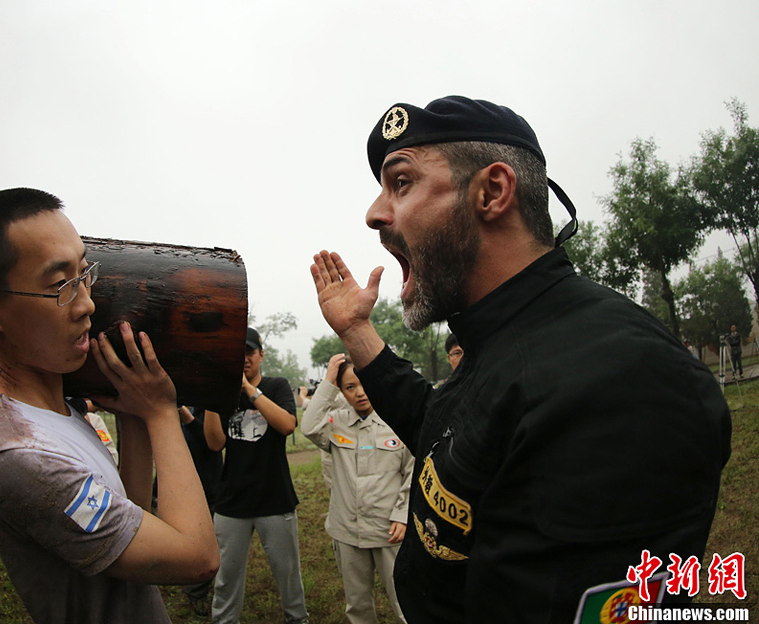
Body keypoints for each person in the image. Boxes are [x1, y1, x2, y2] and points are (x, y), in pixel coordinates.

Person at [310, 96, 731, 623]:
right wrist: (356, 332)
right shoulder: (504, 334)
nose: (374, 213)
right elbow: (448, 431)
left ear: (492, 191)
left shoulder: (623, 383)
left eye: (401, 182)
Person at [0, 187, 218, 624]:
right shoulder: (18, 454)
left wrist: (134, 417)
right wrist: (160, 413)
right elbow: (197, 556)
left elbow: (129, 520)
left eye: (84, 274)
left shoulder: (60, 411)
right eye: (60, 286)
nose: (87, 304)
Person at [203, 327, 309, 624]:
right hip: (232, 501)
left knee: (287, 572)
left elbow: (287, 425)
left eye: (249, 352)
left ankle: (297, 618)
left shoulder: (277, 387)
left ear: (261, 354)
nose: (244, 359)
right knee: (226, 575)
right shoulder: (223, 394)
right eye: (237, 354)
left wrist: (249, 389)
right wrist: (216, 395)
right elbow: (214, 443)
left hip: (274, 498)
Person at [301, 353, 412, 624]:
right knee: (358, 605)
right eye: (350, 387)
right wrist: (328, 380)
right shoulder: (336, 422)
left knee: (404, 602)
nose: (360, 393)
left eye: (364, 384)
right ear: (341, 391)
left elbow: (412, 470)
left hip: (389, 530)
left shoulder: (396, 419)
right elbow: (308, 426)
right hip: (347, 530)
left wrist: (402, 514)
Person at [178, 405, 223, 616]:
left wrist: (186, 416)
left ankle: (198, 592)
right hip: (182, 482)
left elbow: (212, 444)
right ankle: (194, 589)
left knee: (210, 539)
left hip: (210, 481)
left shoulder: (209, 407)